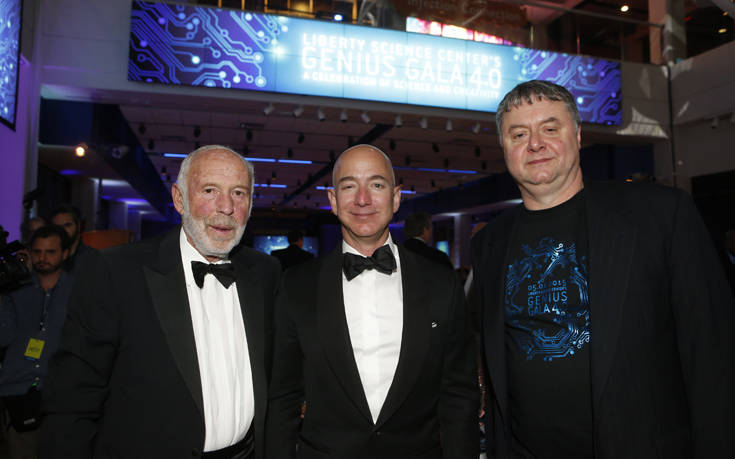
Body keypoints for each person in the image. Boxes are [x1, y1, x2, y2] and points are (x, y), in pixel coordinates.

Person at [470, 80, 735, 458]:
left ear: (577, 135)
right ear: (504, 147)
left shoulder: (659, 215)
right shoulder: (488, 244)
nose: (535, 144)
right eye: (519, 134)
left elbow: (712, 353)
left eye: (550, 128)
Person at [40, 145, 281, 459]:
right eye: (210, 190)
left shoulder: (265, 273)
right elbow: (72, 399)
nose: (226, 206)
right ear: (179, 199)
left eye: (238, 193)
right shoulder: (116, 272)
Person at [266, 144, 478, 459]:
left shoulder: (440, 283)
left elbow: (459, 395)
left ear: (396, 197)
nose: (363, 199)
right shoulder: (297, 285)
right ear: (333, 200)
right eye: (349, 186)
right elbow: (283, 397)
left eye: (376, 185)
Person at [0, 225, 71, 459]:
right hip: (17, 388)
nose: (43, 258)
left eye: (50, 252)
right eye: (37, 251)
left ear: (65, 253)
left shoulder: (78, 289)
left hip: (61, 393)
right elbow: (4, 336)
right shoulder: (15, 288)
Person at [49, 204, 98, 274]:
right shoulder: (47, 256)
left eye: (67, 225)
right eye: (58, 227)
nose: (63, 230)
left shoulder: (93, 257)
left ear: (79, 226)